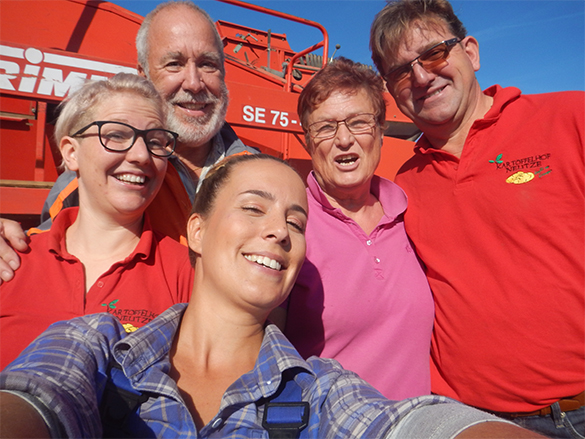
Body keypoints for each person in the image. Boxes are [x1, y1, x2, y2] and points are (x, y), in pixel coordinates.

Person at [0, 154, 543, 439]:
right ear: (196, 231)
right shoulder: (94, 347)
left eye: (295, 221)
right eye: (254, 208)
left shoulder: (319, 391)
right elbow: (40, 398)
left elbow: (405, 426)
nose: (280, 232)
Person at [369, 0, 584, 437]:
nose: (422, 77)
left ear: (471, 52)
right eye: (400, 71)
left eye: (433, 53)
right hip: (473, 420)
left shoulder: (570, 119)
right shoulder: (403, 182)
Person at [0, 0, 258, 283]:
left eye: (208, 65)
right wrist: (9, 246)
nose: (194, 83)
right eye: (174, 64)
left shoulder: (256, 171)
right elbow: (47, 246)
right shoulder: (106, 168)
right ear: (144, 76)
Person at [0, 73, 193, 369]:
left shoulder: (188, 274)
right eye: (116, 135)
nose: (142, 155)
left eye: (155, 141)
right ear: (71, 153)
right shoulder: (13, 261)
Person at [279, 57, 434, 400]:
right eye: (326, 127)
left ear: (380, 131)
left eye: (358, 122)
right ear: (307, 141)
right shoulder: (289, 226)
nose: (344, 139)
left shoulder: (411, 213)